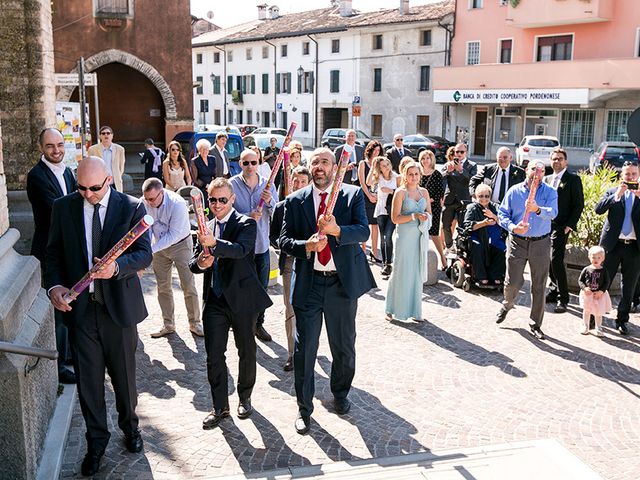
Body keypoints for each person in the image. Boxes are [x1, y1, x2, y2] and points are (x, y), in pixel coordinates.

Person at [44, 156, 152, 476]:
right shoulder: (63, 207)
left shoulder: (131, 207)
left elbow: (144, 253)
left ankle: (130, 428)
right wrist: (54, 288)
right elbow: (52, 255)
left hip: (118, 310)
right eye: (81, 187)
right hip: (81, 312)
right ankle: (96, 443)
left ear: (108, 180)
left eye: (94, 188)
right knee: (89, 384)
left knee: (125, 381)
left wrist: (115, 268)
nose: (88, 194)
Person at [279, 147, 375, 435]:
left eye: (324, 162)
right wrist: (305, 246)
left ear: (334, 167)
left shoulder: (351, 194)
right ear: (309, 168)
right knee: (304, 349)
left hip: (341, 284)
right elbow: (283, 240)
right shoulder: (295, 201)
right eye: (314, 163)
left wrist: (336, 230)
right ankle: (304, 408)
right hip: (308, 284)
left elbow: (363, 231)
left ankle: (341, 393)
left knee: (343, 346)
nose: (319, 167)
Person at [189, 177, 272, 429]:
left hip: (242, 299)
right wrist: (202, 262)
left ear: (232, 199)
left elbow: (241, 250)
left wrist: (215, 246)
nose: (217, 204)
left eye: (222, 199)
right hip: (215, 300)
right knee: (214, 355)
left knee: (246, 351)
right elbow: (194, 263)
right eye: (212, 200)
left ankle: (245, 397)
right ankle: (219, 407)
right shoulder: (205, 227)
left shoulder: (245, 222)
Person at [26, 127, 77, 384]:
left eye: (59, 145)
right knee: (57, 308)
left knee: (70, 302)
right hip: (49, 251)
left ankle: (69, 356)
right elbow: (56, 210)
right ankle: (58, 366)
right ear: (41, 148)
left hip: (70, 249)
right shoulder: (36, 176)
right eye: (50, 146)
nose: (56, 150)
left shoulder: (68, 171)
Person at [495, 161, 558, 340]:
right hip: (518, 242)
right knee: (513, 281)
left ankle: (535, 323)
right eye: (534, 169)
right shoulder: (514, 191)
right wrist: (514, 227)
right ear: (526, 170)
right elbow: (502, 214)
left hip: (541, 243)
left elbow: (553, 212)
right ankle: (507, 304)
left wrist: (537, 209)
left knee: (539, 285)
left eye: (541, 170)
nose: (537, 173)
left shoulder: (550, 192)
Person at [141, 178, 204, 338]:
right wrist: (147, 249)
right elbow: (146, 228)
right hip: (159, 247)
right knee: (162, 287)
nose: (148, 202)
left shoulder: (177, 203)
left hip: (181, 244)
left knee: (188, 285)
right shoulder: (145, 202)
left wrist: (150, 250)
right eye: (146, 198)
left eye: (152, 199)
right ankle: (168, 324)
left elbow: (174, 234)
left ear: (161, 193)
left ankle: (195, 323)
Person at [230, 149, 279, 342]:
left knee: (261, 288)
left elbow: (277, 213)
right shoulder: (232, 185)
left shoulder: (268, 185)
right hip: (241, 247)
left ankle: (258, 324)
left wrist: (269, 202)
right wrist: (246, 217)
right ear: (240, 164)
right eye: (246, 163)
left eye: (253, 162)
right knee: (240, 287)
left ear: (258, 163)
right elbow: (226, 214)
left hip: (261, 245)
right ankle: (241, 323)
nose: (250, 166)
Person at [270, 166, 311, 371]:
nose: (298, 184)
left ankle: (307, 348)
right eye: (295, 180)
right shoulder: (280, 207)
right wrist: (284, 243)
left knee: (309, 308)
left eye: (303, 181)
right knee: (290, 307)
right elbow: (273, 236)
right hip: (288, 262)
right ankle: (291, 353)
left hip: (310, 264)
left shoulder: (314, 207)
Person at [594, 161, 640, 335]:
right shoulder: (613, 192)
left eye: (634, 174)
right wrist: (617, 196)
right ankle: (594, 315)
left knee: (629, 286)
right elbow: (598, 209)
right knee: (602, 281)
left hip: (634, 247)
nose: (630, 178)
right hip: (613, 245)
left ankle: (622, 320)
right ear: (622, 176)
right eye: (627, 174)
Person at [385, 161, 432, 322]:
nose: (413, 177)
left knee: (416, 273)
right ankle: (392, 308)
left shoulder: (424, 192)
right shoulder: (400, 193)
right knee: (401, 271)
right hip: (404, 237)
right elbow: (394, 218)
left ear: (420, 175)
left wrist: (426, 219)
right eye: (410, 174)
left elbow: (430, 214)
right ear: (405, 175)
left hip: (419, 236)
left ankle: (415, 310)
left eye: (416, 174)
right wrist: (414, 216)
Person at [543, 148, 584, 313]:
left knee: (556, 260)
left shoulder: (572, 179)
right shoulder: (546, 179)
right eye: (554, 159)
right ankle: (553, 290)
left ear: (565, 161)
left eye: (560, 159)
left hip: (562, 226)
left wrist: (570, 225)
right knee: (547, 259)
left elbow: (578, 204)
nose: (557, 161)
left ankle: (563, 297)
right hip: (546, 225)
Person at [462, 184, 506, 287]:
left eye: (487, 196)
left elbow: (504, 222)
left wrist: (494, 216)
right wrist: (484, 223)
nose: (484, 199)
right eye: (481, 196)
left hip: (494, 237)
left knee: (502, 248)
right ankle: (481, 276)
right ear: (476, 197)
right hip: (478, 236)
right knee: (477, 247)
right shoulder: (472, 208)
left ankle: (496, 275)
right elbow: (467, 226)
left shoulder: (495, 207)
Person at [367, 156, 400, 278]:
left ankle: (389, 263)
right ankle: (386, 265)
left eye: (388, 164)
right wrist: (372, 167)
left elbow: (402, 191)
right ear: (379, 168)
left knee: (388, 235)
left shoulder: (396, 177)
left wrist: (390, 191)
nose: (387, 167)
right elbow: (368, 182)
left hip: (392, 210)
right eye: (383, 165)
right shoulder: (379, 177)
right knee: (383, 237)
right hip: (381, 209)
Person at [441, 143, 477, 254]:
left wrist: (461, 170)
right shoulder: (449, 164)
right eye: (457, 152)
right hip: (450, 199)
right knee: (446, 225)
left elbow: (473, 180)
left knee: (463, 226)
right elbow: (440, 178)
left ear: (466, 152)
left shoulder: (472, 165)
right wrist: (448, 171)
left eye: (462, 152)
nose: (459, 154)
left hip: (464, 200)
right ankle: (449, 246)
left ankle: (461, 247)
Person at [419, 149, 447, 269]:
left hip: (433, 208)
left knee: (434, 234)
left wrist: (428, 200)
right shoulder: (417, 173)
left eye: (427, 158)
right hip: (418, 208)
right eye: (423, 158)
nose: (425, 161)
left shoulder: (436, 174)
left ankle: (442, 258)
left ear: (432, 160)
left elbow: (440, 193)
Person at [578, 246, 612, 336]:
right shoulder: (586, 269)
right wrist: (584, 288)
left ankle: (599, 327)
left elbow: (607, 282)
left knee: (598, 312)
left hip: (599, 295)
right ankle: (585, 325)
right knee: (587, 311)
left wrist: (601, 291)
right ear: (589, 257)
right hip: (588, 295)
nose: (596, 259)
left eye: (599, 258)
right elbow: (580, 280)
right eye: (593, 257)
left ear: (603, 258)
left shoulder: (604, 270)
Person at [359, 140, 382, 262]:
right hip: (364, 197)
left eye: (378, 150)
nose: (376, 152)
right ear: (370, 150)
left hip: (376, 197)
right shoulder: (363, 163)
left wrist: (377, 196)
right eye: (374, 150)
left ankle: (374, 252)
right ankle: (363, 250)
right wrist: (369, 196)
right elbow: (362, 182)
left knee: (375, 225)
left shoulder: (379, 164)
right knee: (364, 224)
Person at [87, 125, 126, 191]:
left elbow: (121, 167)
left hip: (115, 183)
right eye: (103, 133)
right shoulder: (92, 149)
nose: (106, 135)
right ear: (100, 136)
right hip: (99, 184)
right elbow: (90, 167)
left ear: (112, 135)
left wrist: (117, 176)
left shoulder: (120, 149)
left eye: (108, 133)